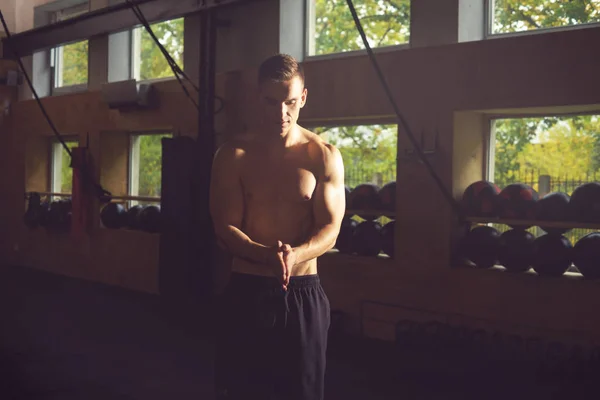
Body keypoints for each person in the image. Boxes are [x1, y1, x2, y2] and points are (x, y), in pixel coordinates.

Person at [209, 53, 346, 400]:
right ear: (258, 98)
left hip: (303, 293)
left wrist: (295, 255)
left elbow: (331, 228)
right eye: (270, 102)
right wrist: (265, 255)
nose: (280, 114)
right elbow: (225, 227)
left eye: (289, 103)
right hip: (247, 290)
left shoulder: (323, 156)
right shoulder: (233, 155)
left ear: (303, 98)